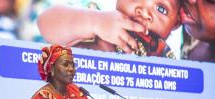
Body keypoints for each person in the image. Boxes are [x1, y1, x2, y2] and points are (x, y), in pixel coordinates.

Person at [37, 0, 181, 58]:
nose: (144, 13)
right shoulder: (101, 24)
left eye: (161, 9)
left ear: (177, 23)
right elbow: (44, 22)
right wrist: (94, 22)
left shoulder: (165, 55)